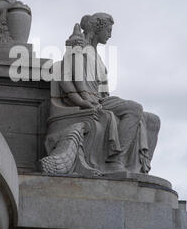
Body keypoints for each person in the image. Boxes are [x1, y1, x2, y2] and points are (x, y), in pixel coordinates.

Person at [60, 13, 160, 173]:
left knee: (152, 120)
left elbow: (103, 90)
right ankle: (114, 159)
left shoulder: (96, 55)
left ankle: (140, 168)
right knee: (134, 108)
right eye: (108, 30)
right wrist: (82, 100)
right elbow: (66, 79)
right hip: (91, 100)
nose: (110, 35)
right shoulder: (77, 49)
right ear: (98, 28)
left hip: (101, 99)